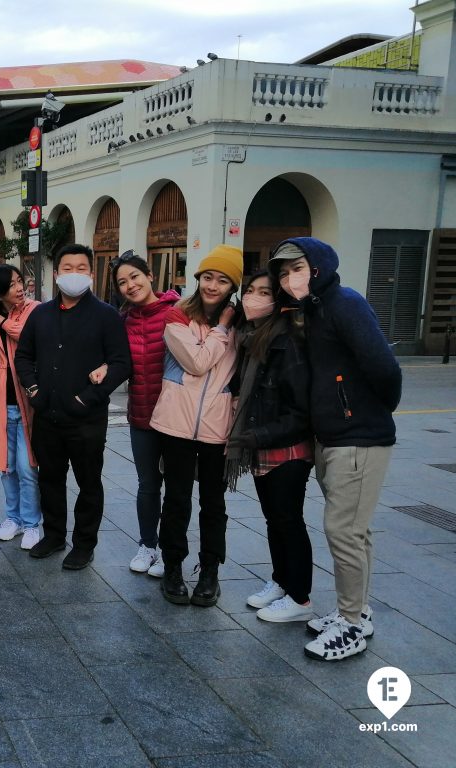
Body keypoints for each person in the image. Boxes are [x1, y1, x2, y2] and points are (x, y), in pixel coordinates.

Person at [269, 237, 402, 662]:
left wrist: (361, 413)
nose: (291, 280)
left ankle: (351, 625)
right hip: (334, 438)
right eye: (284, 273)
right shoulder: (314, 309)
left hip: (357, 438)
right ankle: (357, 612)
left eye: (298, 269)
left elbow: (384, 366)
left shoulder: (344, 302)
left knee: (343, 531)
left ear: (319, 267)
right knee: (355, 532)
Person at [15, 243, 131, 570]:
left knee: (88, 483)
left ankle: (83, 544)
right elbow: (23, 356)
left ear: (92, 274)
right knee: (50, 480)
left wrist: (87, 398)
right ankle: (53, 536)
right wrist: (34, 390)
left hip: (86, 420)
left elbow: (121, 363)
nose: (74, 274)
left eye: (82, 268)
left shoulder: (106, 315)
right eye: (68, 268)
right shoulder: (41, 314)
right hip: (47, 416)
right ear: (56, 274)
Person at [150, 244, 242, 606]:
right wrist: (222, 327)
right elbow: (197, 362)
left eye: (222, 280)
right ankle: (173, 566)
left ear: (232, 286)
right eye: (208, 277)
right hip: (176, 425)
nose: (213, 285)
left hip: (218, 426)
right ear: (198, 279)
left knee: (213, 502)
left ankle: (209, 572)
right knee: (176, 500)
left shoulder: (243, 326)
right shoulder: (175, 318)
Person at [225, 270, 314, 623]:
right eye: (249, 290)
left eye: (264, 292)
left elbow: (301, 411)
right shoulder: (252, 337)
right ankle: (281, 581)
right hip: (262, 446)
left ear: (278, 300)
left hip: (286, 448)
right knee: (274, 519)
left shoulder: (286, 341)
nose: (254, 298)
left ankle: (301, 598)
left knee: (288, 521)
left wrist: (257, 436)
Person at [113, 250, 181, 578]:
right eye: (123, 282)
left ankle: (171, 551)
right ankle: (147, 545)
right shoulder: (123, 320)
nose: (130, 285)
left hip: (176, 417)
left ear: (150, 275)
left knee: (177, 487)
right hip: (141, 414)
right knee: (147, 484)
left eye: (135, 277)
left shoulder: (176, 312)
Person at [0, 264, 42, 550]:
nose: (20, 288)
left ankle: (32, 524)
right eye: (12, 284)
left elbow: (32, 339)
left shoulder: (34, 310)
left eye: (20, 281)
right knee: (6, 468)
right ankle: (12, 518)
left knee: (27, 467)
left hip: (25, 400)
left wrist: (0, 322)